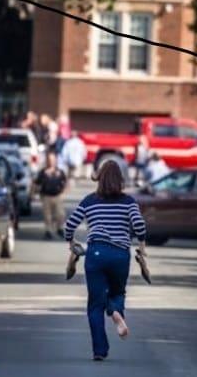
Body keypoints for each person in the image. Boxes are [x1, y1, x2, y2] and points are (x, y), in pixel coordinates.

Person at [64, 160, 148, 361]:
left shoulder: (89, 201)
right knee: (117, 291)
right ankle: (116, 311)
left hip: (96, 254)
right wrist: (142, 244)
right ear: (120, 179)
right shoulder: (128, 201)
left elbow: (70, 225)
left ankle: (99, 351)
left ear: (99, 178)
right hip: (120, 255)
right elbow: (139, 224)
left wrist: (71, 241)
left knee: (95, 304)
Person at [34, 152, 67, 239]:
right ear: (47, 161)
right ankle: (48, 230)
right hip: (46, 196)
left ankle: (59, 228)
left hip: (57, 196)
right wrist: (34, 193)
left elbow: (65, 182)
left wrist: (63, 192)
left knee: (60, 214)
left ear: (55, 161)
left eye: (52, 160)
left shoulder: (59, 172)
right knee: (47, 215)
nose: (51, 161)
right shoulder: (43, 172)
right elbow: (36, 183)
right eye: (49, 160)